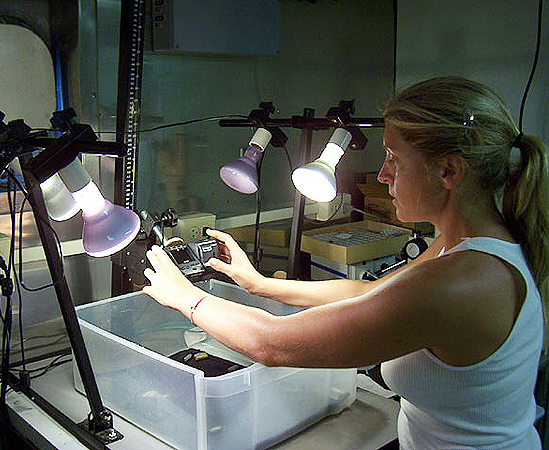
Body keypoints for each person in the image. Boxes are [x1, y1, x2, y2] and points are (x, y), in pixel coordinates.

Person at [143, 76, 549, 449]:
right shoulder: (459, 246)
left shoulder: (465, 282)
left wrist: (186, 298)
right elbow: (369, 291)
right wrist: (259, 283)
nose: (384, 174)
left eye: (393, 157)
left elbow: (271, 343)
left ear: (448, 170)